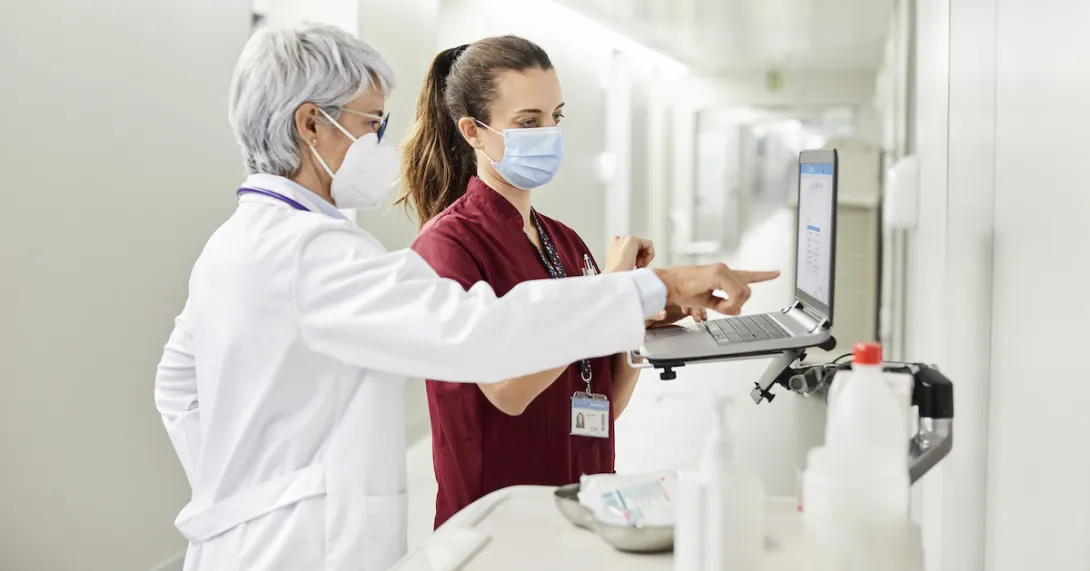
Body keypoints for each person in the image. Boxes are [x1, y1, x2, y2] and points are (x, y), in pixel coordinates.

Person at [154, 23, 778, 571]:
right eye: (371, 123)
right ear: (311, 123)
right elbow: (483, 339)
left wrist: (240, 487)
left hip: (259, 538)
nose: (380, 141)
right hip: (299, 548)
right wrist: (648, 287)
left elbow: (176, 386)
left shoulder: (237, 243)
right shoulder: (313, 253)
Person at [397, 36, 776, 530]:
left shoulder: (565, 242)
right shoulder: (447, 246)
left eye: (556, 115)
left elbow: (606, 403)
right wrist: (616, 290)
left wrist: (640, 319)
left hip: (587, 502)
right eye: (529, 122)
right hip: (498, 520)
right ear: (473, 131)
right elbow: (508, 391)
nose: (549, 132)